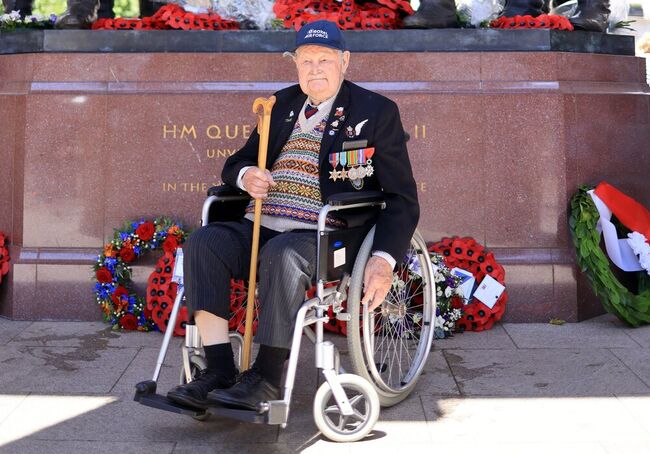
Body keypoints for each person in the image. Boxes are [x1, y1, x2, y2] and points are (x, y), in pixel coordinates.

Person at [166, 19, 419, 411]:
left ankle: (267, 378)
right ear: (295, 64)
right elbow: (238, 162)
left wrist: (384, 259)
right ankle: (217, 370)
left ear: (344, 61)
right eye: (305, 60)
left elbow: (402, 198)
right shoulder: (280, 105)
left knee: (282, 254)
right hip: (260, 223)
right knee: (205, 243)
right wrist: (247, 175)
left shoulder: (375, 111)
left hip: (323, 235)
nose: (314, 68)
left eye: (324, 59)